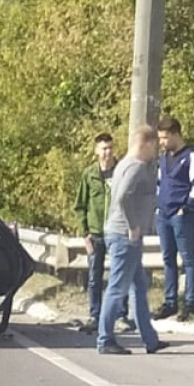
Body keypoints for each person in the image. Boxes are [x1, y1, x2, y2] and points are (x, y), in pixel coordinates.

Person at [97, 127, 169, 355]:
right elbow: (123, 196)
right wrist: (133, 226)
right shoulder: (136, 166)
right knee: (117, 288)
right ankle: (105, 339)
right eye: (154, 146)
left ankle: (150, 339)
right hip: (124, 236)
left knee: (138, 287)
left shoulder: (125, 164)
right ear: (146, 143)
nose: (155, 151)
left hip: (123, 236)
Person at [73, 133, 132, 333]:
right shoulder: (89, 174)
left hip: (117, 231)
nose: (107, 152)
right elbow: (80, 205)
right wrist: (84, 233)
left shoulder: (121, 172)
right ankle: (95, 315)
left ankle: (121, 316)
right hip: (96, 232)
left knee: (119, 275)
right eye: (103, 148)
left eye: (109, 148)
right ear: (96, 151)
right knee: (94, 276)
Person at [154, 116, 194, 322]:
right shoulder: (163, 158)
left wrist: (186, 208)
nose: (162, 142)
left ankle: (190, 302)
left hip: (181, 215)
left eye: (165, 138)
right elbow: (159, 183)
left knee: (187, 259)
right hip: (164, 215)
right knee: (168, 259)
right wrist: (158, 208)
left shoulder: (193, 156)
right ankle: (170, 302)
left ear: (176, 134)